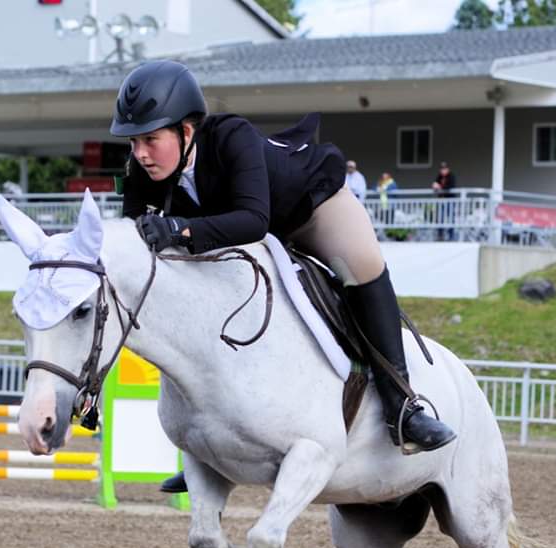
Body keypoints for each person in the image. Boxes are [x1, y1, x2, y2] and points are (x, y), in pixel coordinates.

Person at [112, 61, 456, 495]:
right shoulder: (139, 173)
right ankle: (213, 448)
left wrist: (178, 230)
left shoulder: (230, 136)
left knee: (359, 268)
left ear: (186, 131)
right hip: (240, 232)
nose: (140, 153)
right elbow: (136, 243)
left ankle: (402, 405)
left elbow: (253, 221)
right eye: (134, 141)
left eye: (150, 139)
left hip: (308, 208)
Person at [431, 160, 457, 240]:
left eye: (444, 168)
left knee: (450, 218)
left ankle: (451, 235)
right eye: (442, 169)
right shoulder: (439, 176)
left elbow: (450, 187)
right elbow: (436, 184)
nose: (443, 170)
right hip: (441, 200)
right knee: (440, 217)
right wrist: (434, 186)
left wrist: (440, 187)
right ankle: (440, 235)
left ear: (447, 169)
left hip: (450, 200)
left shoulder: (451, 176)